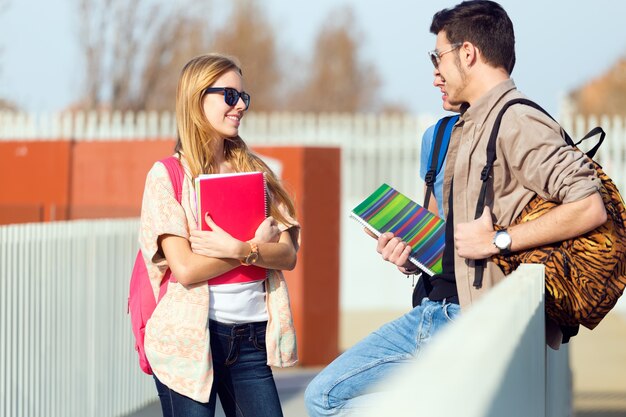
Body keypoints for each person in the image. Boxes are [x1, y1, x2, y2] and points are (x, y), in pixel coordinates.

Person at [305, 1, 606, 416]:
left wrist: (499, 240)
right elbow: (454, 234)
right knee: (326, 396)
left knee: (329, 398)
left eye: (438, 56)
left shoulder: (518, 120)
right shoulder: (465, 126)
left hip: (469, 318)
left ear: (468, 53)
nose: (434, 73)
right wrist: (413, 256)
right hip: (435, 307)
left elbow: (590, 206)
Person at [138, 53, 300, 417]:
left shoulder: (256, 171)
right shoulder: (167, 177)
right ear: (197, 99)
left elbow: (288, 255)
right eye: (229, 96)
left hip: (250, 340)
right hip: (189, 340)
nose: (240, 105)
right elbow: (186, 269)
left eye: (243, 97)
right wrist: (247, 250)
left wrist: (243, 248)